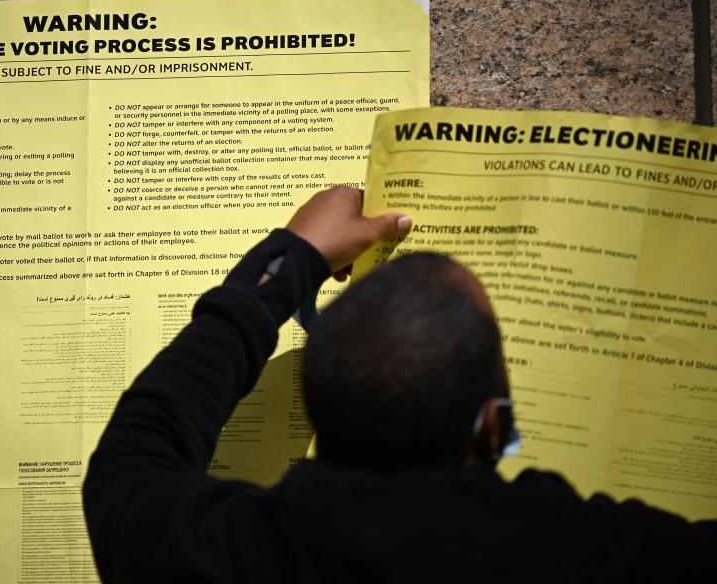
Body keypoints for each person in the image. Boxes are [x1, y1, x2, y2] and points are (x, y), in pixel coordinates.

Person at [83, 185, 716, 582]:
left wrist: (292, 260)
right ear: (493, 427)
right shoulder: (587, 555)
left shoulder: (223, 553)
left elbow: (139, 446)